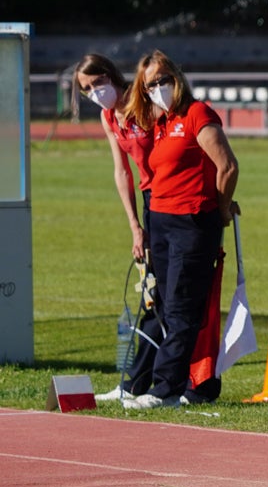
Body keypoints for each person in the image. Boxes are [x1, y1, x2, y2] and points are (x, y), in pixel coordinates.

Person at [122, 50, 240, 410]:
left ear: (176, 76)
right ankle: (178, 384)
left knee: (183, 310)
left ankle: (166, 388)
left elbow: (228, 166)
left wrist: (220, 209)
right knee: (166, 307)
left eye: (162, 79)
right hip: (161, 221)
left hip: (192, 221)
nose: (158, 88)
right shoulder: (160, 123)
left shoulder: (196, 114)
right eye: (150, 85)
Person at [75, 54, 160, 403]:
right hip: (150, 200)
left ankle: (147, 382)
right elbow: (122, 171)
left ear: (111, 75)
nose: (95, 92)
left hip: (174, 197)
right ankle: (137, 382)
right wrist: (134, 226)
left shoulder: (145, 103)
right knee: (152, 292)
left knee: (159, 296)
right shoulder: (108, 116)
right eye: (87, 89)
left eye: (98, 83)